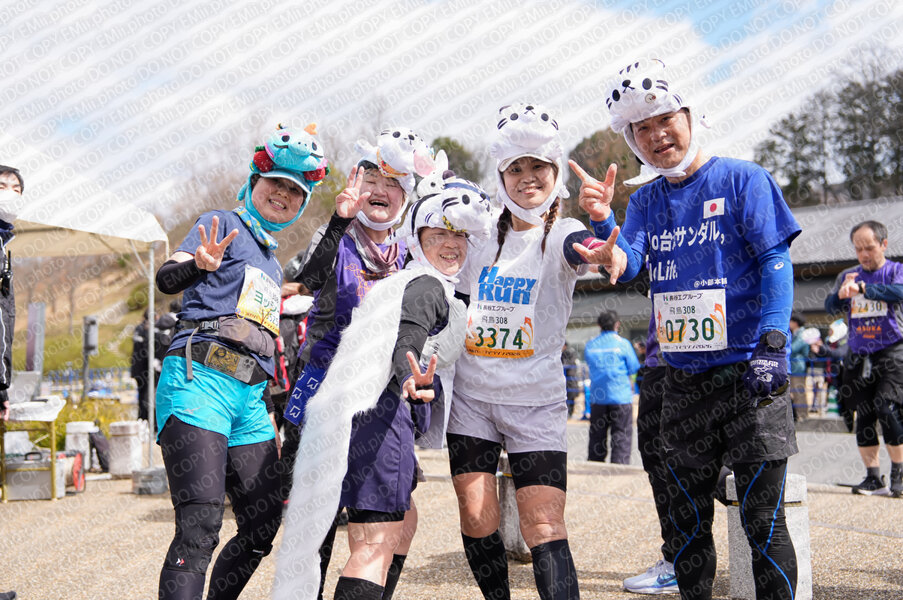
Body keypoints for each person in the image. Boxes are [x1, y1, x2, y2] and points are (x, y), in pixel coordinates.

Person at [580, 59, 801, 600]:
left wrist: (774, 343)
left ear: (689, 116)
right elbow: (628, 263)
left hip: (751, 375)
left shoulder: (743, 179)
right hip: (682, 383)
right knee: (687, 525)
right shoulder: (646, 200)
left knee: (763, 522)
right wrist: (604, 224)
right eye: (642, 129)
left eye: (665, 120)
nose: (656, 136)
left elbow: (775, 261)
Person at [274, 172, 492, 600]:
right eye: (439, 234)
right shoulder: (425, 283)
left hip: (353, 408)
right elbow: (408, 335)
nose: (451, 244)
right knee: (372, 543)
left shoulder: (406, 273)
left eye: (460, 235)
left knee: (398, 525)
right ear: (418, 238)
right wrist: (411, 374)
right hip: (373, 409)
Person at [446, 102, 621, 600]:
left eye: (538, 166)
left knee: (543, 524)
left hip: (535, 401)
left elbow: (601, 255)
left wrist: (606, 244)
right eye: (515, 168)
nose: (527, 178)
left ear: (555, 170)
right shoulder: (478, 234)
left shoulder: (564, 232)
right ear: (501, 176)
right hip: (472, 399)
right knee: (476, 515)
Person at [152, 123, 330, 600]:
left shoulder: (271, 262)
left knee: (262, 523)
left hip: (250, 399)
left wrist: (340, 222)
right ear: (255, 181)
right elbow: (166, 279)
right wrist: (198, 265)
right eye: (276, 184)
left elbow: (298, 293)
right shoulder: (221, 223)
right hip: (199, 380)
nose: (284, 195)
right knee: (200, 527)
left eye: (295, 192)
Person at [280, 128, 436, 600]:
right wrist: (337, 220)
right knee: (318, 521)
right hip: (326, 389)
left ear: (406, 195)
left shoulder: (412, 251)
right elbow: (304, 282)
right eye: (372, 179)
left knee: (395, 520)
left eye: (393, 183)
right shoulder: (337, 237)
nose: (381, 190)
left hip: (384, 400)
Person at [825, 220, 903, 497]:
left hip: (892, 351)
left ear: (883, 244)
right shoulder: (848, 275)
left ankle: (898, 472)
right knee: (864, 414)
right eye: (858, 249)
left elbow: (899, 292)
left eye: (869, 248)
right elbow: (830, 307)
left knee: (887, 407)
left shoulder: (896, 271)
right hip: (858, 354)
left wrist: (863, 290)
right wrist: (840, 296)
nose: (863, 254)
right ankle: (873, 477)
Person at [622, 318, 679, 595]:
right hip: (672, 360)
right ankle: (681, 562)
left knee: (668, 459)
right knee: (664, 458)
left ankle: (680, 562)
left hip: (679, 359)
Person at [0, 165, 23, 600]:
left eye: (17, 189)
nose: (10, 194)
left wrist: (3, 385)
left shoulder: (5, 247)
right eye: (2, 186)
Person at [584, 310, 640, 464]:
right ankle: (619, 468)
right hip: (620, 397)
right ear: (617, 324)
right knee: (621, 436)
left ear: (599, 325)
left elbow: (589, 364)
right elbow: (634, 367)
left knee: (596, 437)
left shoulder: (590, 345)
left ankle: (594, 466)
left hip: (597, 398)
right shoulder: (623, 344)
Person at [130, 310, 152, 424]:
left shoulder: (138, 328)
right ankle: (144, 418)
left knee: (141, 393)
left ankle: (141, 417)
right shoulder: (146, 329)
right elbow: (147, 349)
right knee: (146, 394)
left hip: (136, 368)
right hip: (145, 368)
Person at [788, 314, 809, 420]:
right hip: (793, 367)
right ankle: (797, 415)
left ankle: (803, 416)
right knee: (793, 393)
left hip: (798, 367)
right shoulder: (796, 333)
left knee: (799, 393)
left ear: (795, 323)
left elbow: (793, 348)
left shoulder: (802, 334)